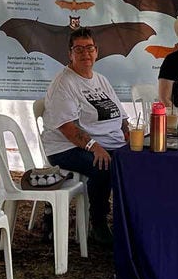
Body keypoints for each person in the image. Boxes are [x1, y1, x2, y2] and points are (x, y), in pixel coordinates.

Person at [41, 27, 129, 245]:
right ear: (70, 54)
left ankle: (129, 221)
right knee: (103, 165)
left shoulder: (101, 80)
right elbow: (67, 128)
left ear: (96, 51)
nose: (85, 54)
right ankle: (97, 223)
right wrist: (94, 147)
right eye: (78, 49)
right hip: (65, 148)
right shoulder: (65, 83)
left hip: (108, 143)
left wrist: (128, 136)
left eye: (89, 48)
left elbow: (122, 116)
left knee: (136, 162)